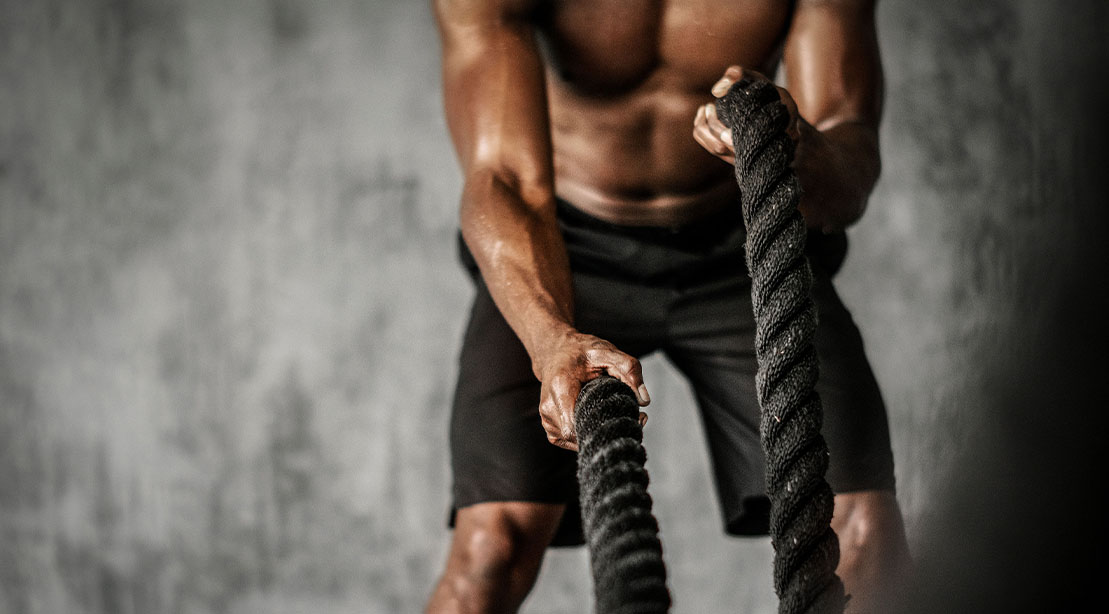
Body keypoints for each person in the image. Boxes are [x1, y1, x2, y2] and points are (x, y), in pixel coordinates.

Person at [426, 1, 911, 612]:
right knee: (489, 551)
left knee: (865, 537)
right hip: (561, 251)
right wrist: (549, 338)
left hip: (741, 240)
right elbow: (504, 177)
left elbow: (849, 168)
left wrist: (795, 145)